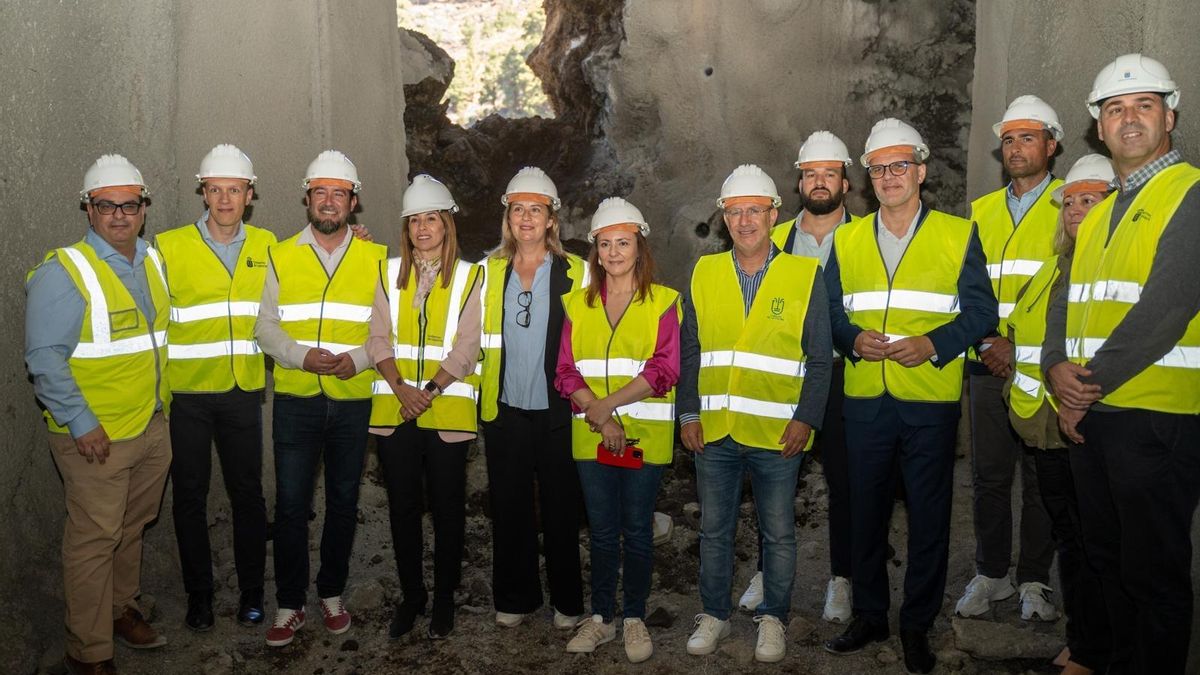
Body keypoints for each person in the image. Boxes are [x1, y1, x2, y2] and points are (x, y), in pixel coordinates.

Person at [1042, 53, 1200, 674]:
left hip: (1155, 416)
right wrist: (1055, 365)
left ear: (1170, 115)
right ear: (1099, 127)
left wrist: (1082, 390)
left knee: (1152, 572)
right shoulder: (1103, 208)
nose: (1128, 119)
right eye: (1114, 109)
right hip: (1094, 414)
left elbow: (1166, 308)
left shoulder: (1189, 195)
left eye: (1142, 106)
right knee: (1106, 558)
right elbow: (1066, 297)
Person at [823, 119, 996, 674]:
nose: (890, 176)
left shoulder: (957, 233)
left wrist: (932, 344)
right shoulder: (846, 239)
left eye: (901, 165)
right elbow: (828, 313)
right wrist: (851, 339)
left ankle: (916, 624)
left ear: (920, 172)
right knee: (864, 513)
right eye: (879, 168)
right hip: (866, 399)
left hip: (928, 400)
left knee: (928, 517)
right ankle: (871, 615)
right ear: (867, 179)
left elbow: (981, 313)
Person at [679, 164, 831, 663]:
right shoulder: (704, 272)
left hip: (778, 432)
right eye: (735, 211)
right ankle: (716, 616)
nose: (745, 221)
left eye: (755, 211)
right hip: (716, 431)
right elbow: (691, 350)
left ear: (774, 214)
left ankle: (773, 617)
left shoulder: (804, 274)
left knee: (779, 533)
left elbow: (820, 358)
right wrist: (687, 416)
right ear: (724, 218)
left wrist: (806, 418)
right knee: (715, 531)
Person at [26, 154, 171, 674]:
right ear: (88, 210)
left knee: (131, 527)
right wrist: (81, 423)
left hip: (150, 426)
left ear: (144, 209)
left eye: (128, 205)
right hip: (95, 436)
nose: (118, 215)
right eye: (105, 205)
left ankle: (119, 609)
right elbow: (44, 359)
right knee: (93, 540)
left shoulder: (152, 260)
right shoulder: (64, 271)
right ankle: (87, 652)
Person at [254, 150, 387, 647]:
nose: (329, 202)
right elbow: (264, 326)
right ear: (307, 198)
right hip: (296, 398)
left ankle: (331, 591)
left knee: (344, 500)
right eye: (320, 193)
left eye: (339, 194)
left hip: (353, 398)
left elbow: (385, 330)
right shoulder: (281, 255)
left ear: (353, 202)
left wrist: (360, 358)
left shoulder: (379, 258)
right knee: (290, 505)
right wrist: (298, 356)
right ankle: (289, 604)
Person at [555, 197, 680, 663]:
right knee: (604, 533)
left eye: (622, 243)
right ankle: (602, 618)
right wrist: (602, 417)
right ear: (595, 251)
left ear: (639, 247)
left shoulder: (664, 302)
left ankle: (634, 618)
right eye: (604, 244)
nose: (612, 252)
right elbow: (566, 372)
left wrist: (609, 405)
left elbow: (665, 368)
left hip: (645, 436)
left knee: (638, 530)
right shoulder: (575, 304)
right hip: (592, 436)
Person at [156, 145, 272, 631]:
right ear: (203, 192)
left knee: (248, 495)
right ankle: (199, 597)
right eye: (216, 190)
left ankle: (250, 595)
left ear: (250, 195)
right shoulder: (167, 246)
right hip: (188, 397)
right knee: (189, 496)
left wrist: (356, 235)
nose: (225, 199)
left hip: (243, 392)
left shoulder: (269, 245)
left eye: (235, 190)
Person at [1007, 153, 1115, 675]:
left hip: (1092, 426)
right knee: (1072, 539)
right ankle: (1085, 640)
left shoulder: (1112, 270)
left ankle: (1100, 647)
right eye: (1069, 202)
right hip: (1047, 429)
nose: (1074, 209)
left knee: (1098, 541)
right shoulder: (1057, 267)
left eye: (1088, 199)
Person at [742, 131, 855, 623]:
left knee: (845, 483)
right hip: (785, 382)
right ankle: (767, 572)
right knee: (772, 483)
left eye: (829, 173)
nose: (820, 182)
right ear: (799, 182)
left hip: (847, 376)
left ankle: (843, 579)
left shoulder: (865, 237)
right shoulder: (777, 238)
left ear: (846, 183)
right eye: (811, 174)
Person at [958, 95, 1062, 621]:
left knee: (1042, 476)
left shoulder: (1076, 203)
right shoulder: (979, 211)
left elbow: (1071, 292)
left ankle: (1035, 580)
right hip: (984, 361)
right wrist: (984, 344)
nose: (1016, 148)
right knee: (990, 475)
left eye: (1027, 137)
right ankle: (992, 574)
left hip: (1042, 366)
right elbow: (966, 291)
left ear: (1052, 144)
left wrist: (1019, 349)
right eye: (1008, 140)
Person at [368, 175, 482, 640]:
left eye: (430, 218)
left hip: (446, 413)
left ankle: (444, 601)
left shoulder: (473, 276)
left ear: (447, 224)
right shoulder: (387, 273)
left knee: (449, 510)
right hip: (397, 415)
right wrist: (401, 389)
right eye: (414, 220)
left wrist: (427, 391)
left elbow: (468, 346)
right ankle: (412, 596)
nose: (421, 228)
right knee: (402, 510)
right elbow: (377, 338)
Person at [479, 168, 588, 631]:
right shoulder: (486, 272)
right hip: (504, 408)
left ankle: (567, 602)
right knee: (510, 505)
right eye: (518, 209)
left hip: (558, 409)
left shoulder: (577, 270)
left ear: (551, 220)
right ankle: (516, 596)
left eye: (536, 210)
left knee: (563, 506)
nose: (526, 218)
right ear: (508, 217)